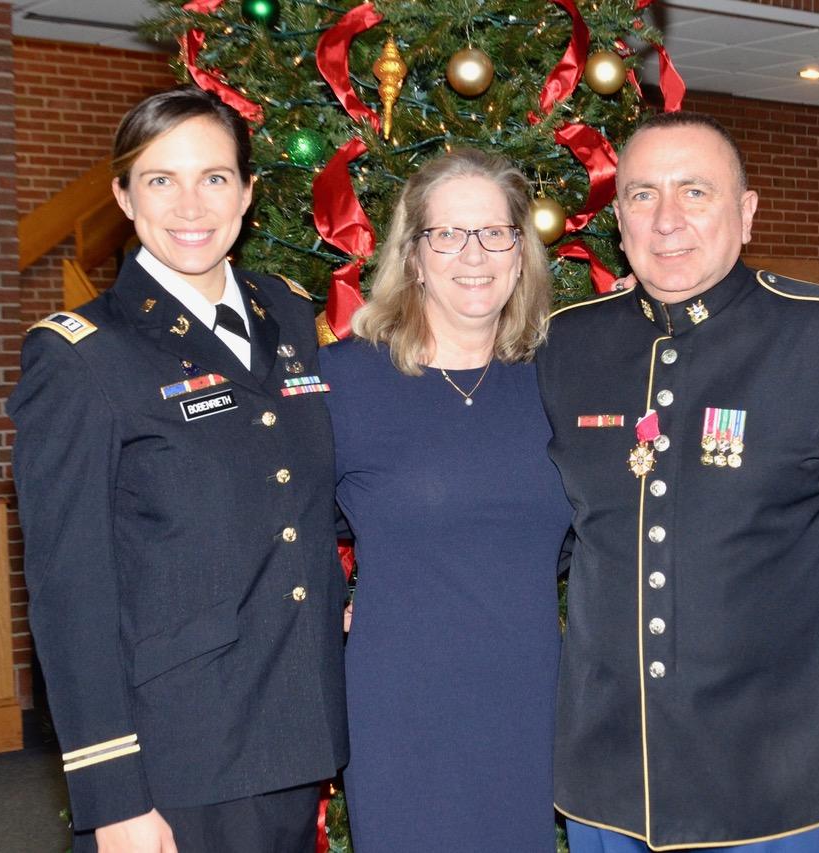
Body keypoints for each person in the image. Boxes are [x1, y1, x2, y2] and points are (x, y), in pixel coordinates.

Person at [10, 86, 348, 852]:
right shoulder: (81, 356)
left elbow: (300, 488)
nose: (190, 204)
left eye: (215, 177)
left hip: (295, 725)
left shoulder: (288, 314)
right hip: (180, 755)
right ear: (124, 197)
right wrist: (113, 795)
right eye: (160, 179)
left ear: (249, 192)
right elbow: (71, 594)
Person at [536, 111, 819, 852]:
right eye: (641, 195)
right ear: (617, 216)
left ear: (747, 212)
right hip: (611, 778)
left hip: (774, 781)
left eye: (695, 193)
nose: (667, 221)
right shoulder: (568, 343)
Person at [318, 148, 571, 852]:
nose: (474, 253)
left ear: (521, 254)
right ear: (415, 255)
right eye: (448, 234)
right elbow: (290, 522)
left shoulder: (558, 379)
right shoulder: (345, 380)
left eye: (495, 233)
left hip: (528, 695)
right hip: (402, 704)